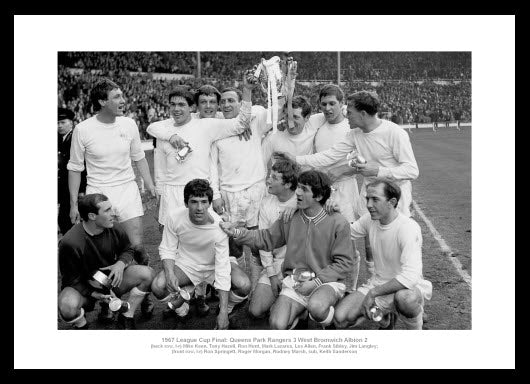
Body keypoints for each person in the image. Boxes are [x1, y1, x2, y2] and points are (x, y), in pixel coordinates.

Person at [278, 90, 419, 277]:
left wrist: (378, 171)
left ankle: (408, 281)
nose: (346, 115)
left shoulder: (394, 133)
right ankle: (377, 278)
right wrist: (296, 159)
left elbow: (412, 170)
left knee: (396, 237)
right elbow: (331, 155)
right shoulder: (355, 134)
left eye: (349, 112)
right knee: (373, 237)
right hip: (369, 192)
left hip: (394, 195)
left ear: (363, 114)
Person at [146, 78, 254, 314]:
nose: (176, 109)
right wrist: (169, 136)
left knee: (204, 244)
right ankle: (179, 298)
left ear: (190, 107)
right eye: (172, 104)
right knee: (175, 248)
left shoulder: (205, 126)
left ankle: (201, 295)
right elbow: (151, 130)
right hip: (173, 194)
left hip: (199, 194)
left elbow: (240, 123)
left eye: (182, 105)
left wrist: (246, 92)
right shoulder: (165, 128)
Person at [67, 78, 157, 318]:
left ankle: (144, 295)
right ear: (101, 101)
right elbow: (75, 167)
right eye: (116, 97)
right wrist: (74, 203)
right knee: (105, 253)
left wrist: (149, 185)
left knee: (137, 248)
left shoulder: (128, 124)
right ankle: (109, 302)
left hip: (127, 190)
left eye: (121, 95)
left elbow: (139, 157)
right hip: (99, 194)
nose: (123, 101)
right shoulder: (83, 129)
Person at [220, 170, 354, 330]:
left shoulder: (338, 222)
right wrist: (235, 232)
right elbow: (265, 238)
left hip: (326, 282)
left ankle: (327, 319)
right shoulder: (291, 217)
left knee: (317, 307)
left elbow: (344, 263)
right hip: (296, 281)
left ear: (318, 196)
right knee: (276, 324)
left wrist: (315, 282)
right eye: (298, 187)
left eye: (304, 189)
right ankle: (301, 313)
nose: (297, 192)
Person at [150, 179, 251, 330]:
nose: (199, 208)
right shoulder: (173, 217)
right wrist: (170, 273)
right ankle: (182, 311)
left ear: (210, 204)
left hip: (214, 266)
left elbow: (222, 269)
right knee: (158, 286)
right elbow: (167, 248)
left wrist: (223, 312)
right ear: (185, 203)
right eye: (194, 202)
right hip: (186, 265)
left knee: (244, 285)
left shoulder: (219, 227)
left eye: (204, 202)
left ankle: (227, 309)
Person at [333, 179, 432, 330]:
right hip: (379, 283)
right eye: (367, 199)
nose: (369, 205)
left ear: (391, 202)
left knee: (405, 299)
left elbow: (410, 277)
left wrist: (373, 293)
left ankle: (416, 329)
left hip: (407, 287)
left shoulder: (408, 228)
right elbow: (344, 233)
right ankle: (386, 318)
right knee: (340, 319)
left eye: (375, 199)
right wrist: (334, 214)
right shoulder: (369, 220)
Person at [210, 86, 280, 294]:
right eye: (223, 101)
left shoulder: (255, 121)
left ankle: (258, 286)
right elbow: (212, 166)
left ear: (241, 104)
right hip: (229, 194)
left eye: (231, 100)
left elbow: (274, 111)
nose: (226, 104)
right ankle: (238, 286)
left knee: (258, 243)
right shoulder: (217, 129)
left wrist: (249, 116)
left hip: (255, 191)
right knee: (233, 242)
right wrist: (215, 194)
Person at [58, 194, 155, 329]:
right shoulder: (70, 242)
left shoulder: (114, 227)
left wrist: (121, 264)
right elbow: (71, 280)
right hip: (84, 287)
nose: (113, 213)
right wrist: (94, 294)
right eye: (107, 210)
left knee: (147, 274)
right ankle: (82, 326)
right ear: (92, 216)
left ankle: (127, 316)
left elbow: (128, 249)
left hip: (108, 281)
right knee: (67, 305)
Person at [248, 159, 299, 319]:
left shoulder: (304, 200)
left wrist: (297, 203)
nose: (268, 180)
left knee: (279, 319)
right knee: (255, 311)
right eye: (269, 175)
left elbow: (324, 194)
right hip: (276, 265)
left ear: (288, 184)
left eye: (274, 178)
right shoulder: (266, 203)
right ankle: (281, 301)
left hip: (301, 267)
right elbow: (264, 242)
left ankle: (299, 310)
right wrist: (271, 274)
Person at [58, 107, 86, 236]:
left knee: (73, 223)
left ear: (71, 123)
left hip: (74, 190)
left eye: (63, 122)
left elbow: (82, 167)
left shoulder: (76, 139)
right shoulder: (58, 140)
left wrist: (81, 191)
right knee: (64, 222)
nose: (59, 126)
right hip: (62, 189)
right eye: (57, 123)